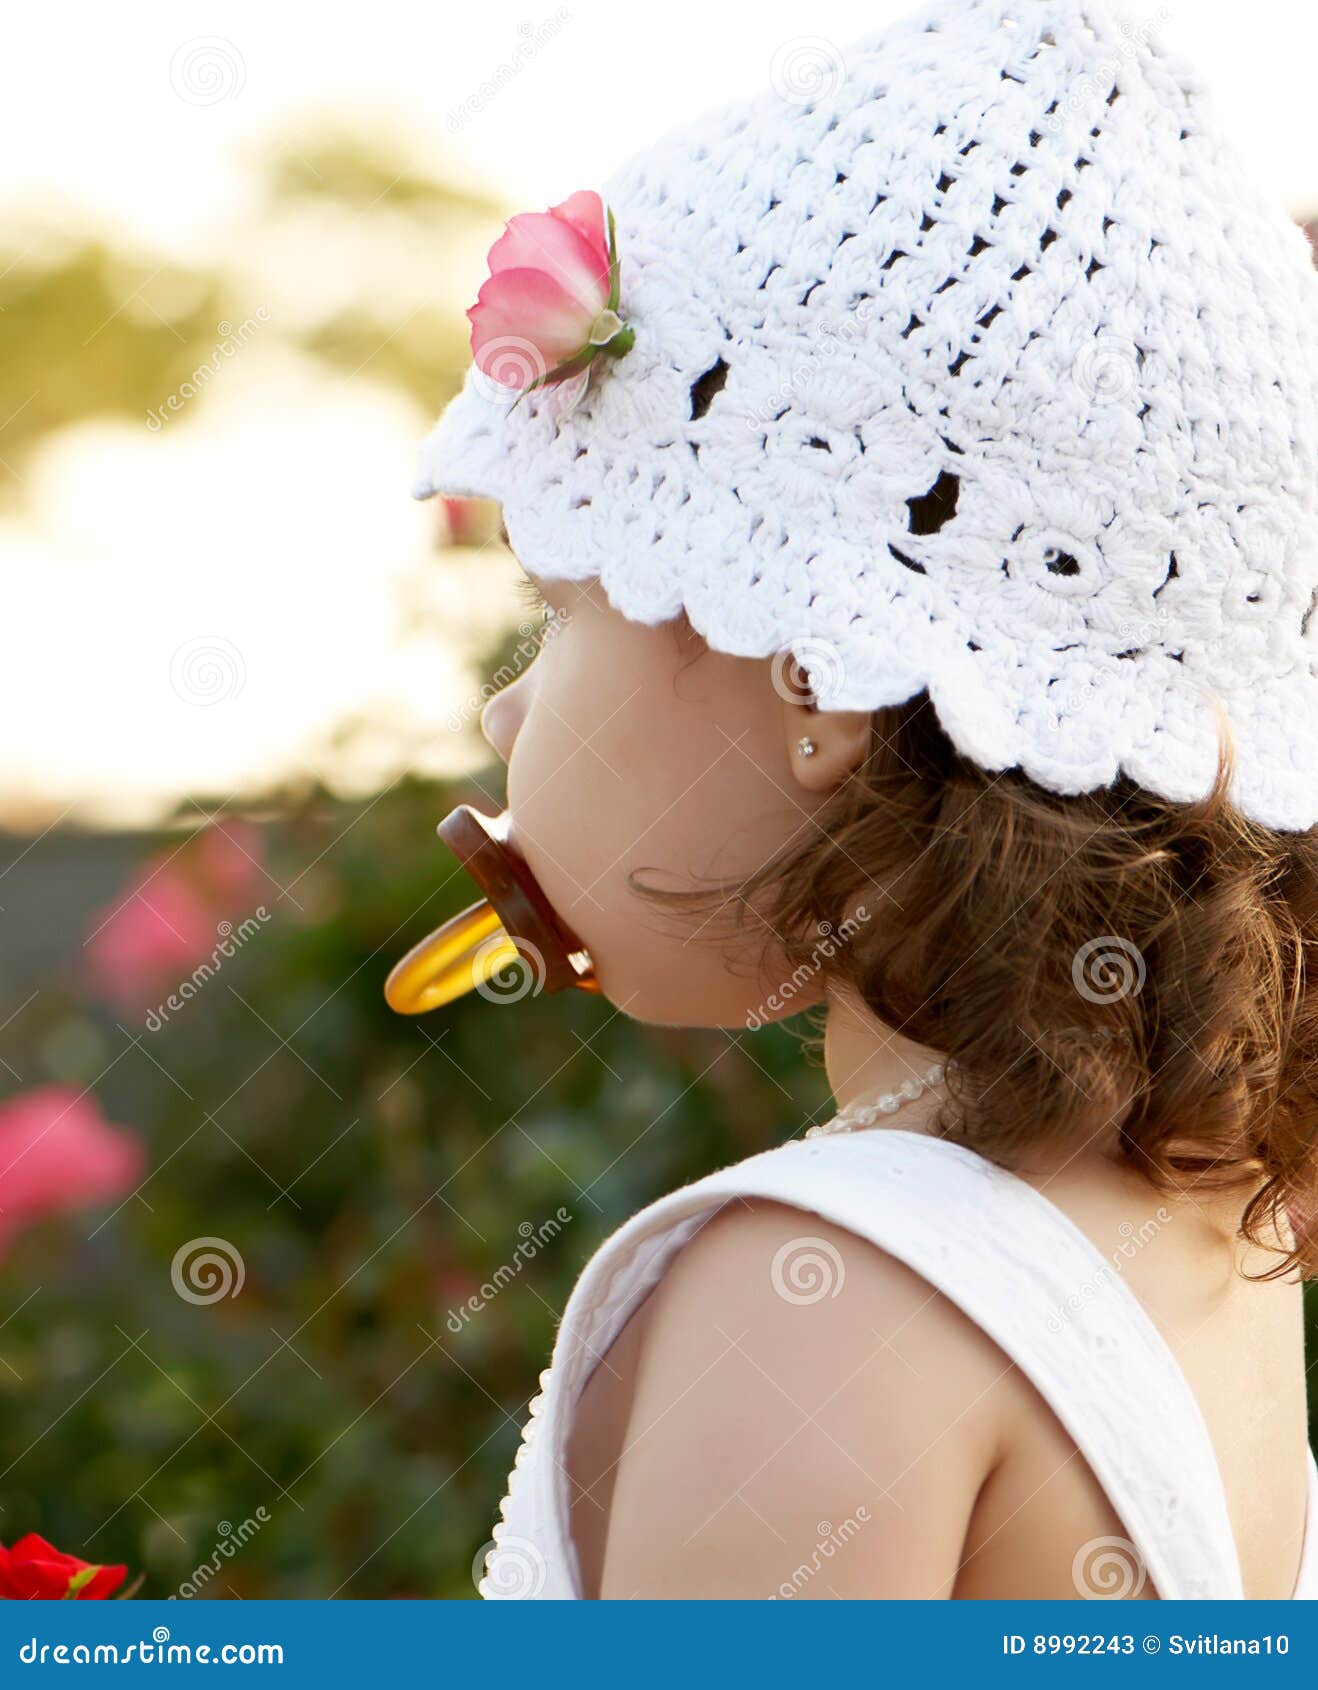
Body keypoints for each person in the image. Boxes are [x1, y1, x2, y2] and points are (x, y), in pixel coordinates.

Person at [412, 0, 1318, 1599]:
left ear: (816, 679)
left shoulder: (813, 1297)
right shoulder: (1204, 1227)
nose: (506, 709)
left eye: (563, 604)